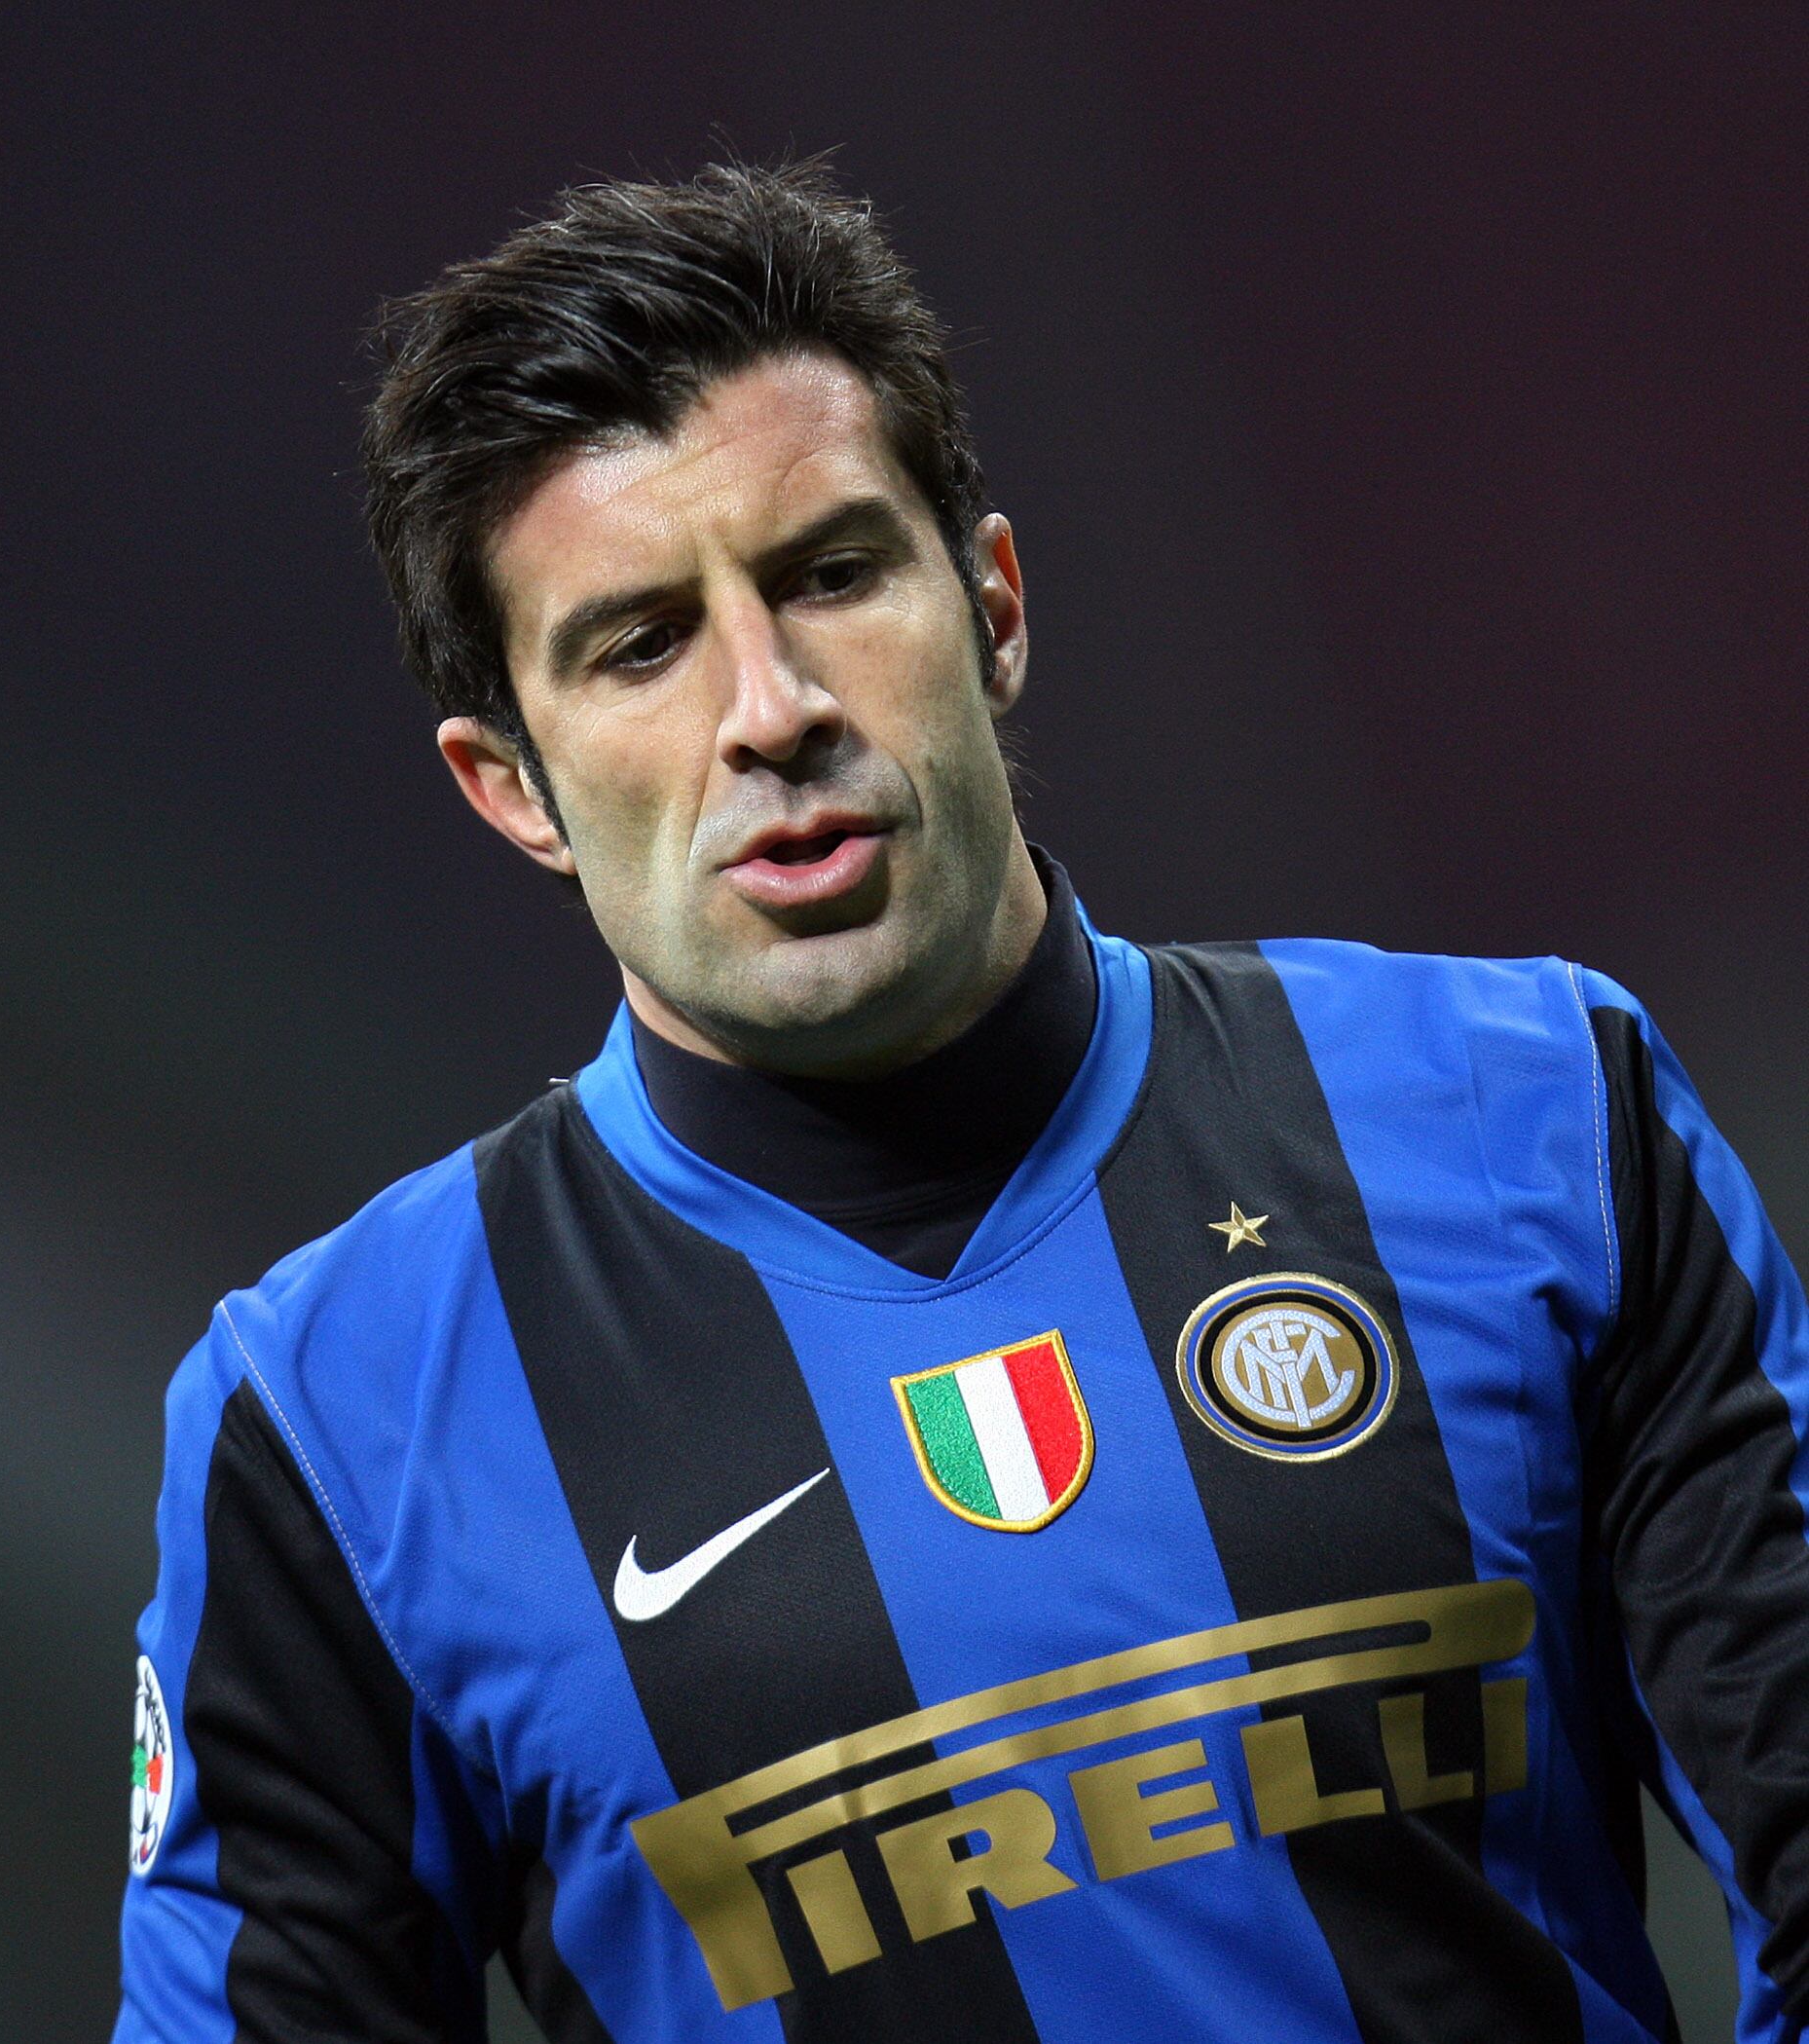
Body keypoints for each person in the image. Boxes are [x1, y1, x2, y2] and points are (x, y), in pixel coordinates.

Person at [111, 163, 1809, 2044]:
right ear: (508, 785)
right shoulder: (341, 1421)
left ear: (991, 606)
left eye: (833, 573)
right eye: (642, 644)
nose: (770, 705)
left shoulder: (1533, 1125)